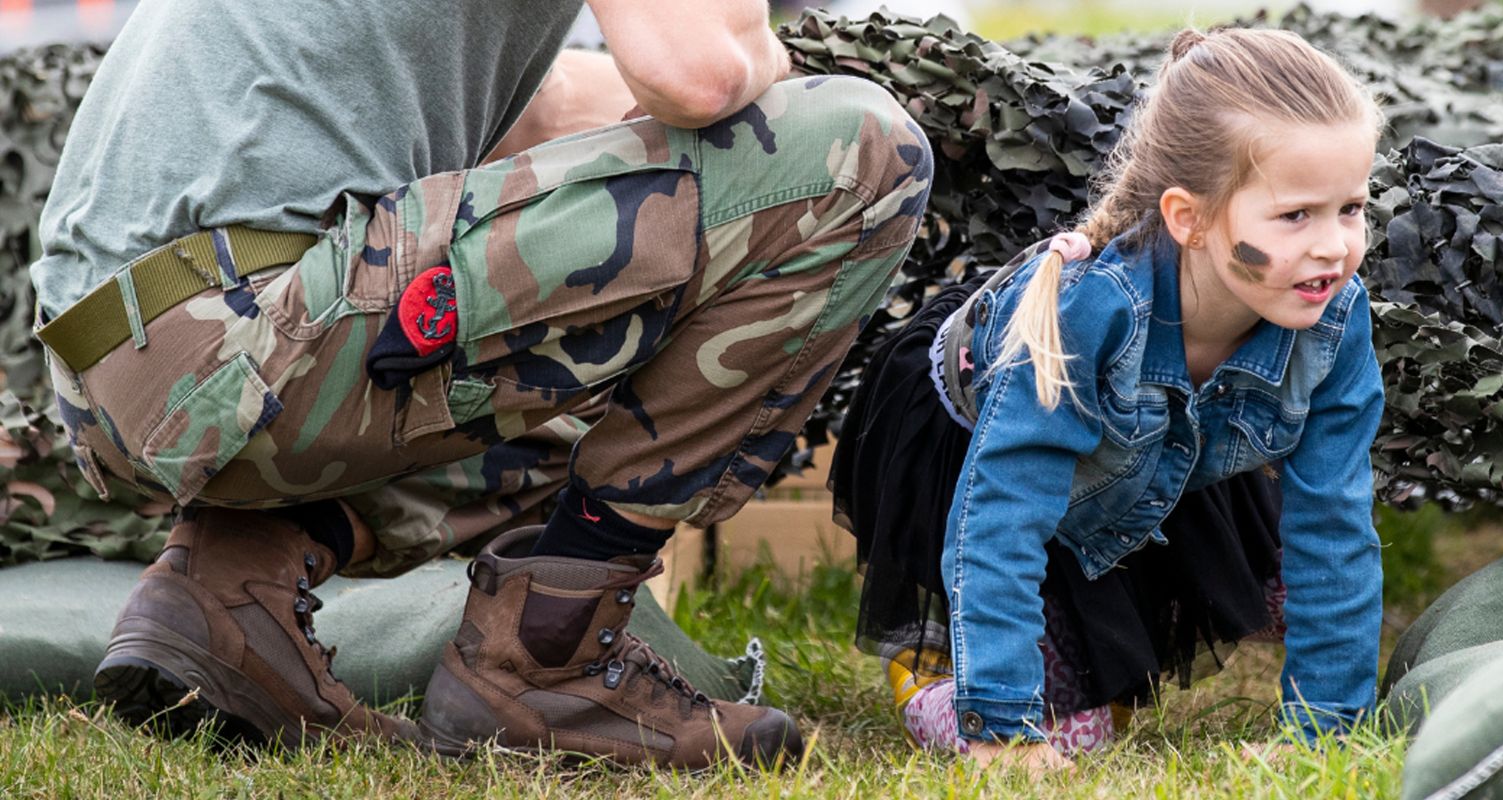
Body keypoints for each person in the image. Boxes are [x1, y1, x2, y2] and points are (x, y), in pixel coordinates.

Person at [30, 0, 931, 769]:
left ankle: (233, 583)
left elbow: (530, 111)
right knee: (859, 145)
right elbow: (695, 76)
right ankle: (548, 657)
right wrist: (775, 57)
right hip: (240, 344)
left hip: (117, 357)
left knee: (595, 398)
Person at [830, 26, 1385, 775]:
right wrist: (1000, 728)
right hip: (967, 447)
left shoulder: (1333, 319)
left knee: (1255, 601)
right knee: (1070, 726)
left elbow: (1335, 523)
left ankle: (1086, 629)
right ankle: (936, 676)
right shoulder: (1092, 312)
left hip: (1146, 458)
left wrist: (1326, 731)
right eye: (1296, 215)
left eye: (1349, 208)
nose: (1333, 247)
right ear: (1187, 218)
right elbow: (1000, 514)